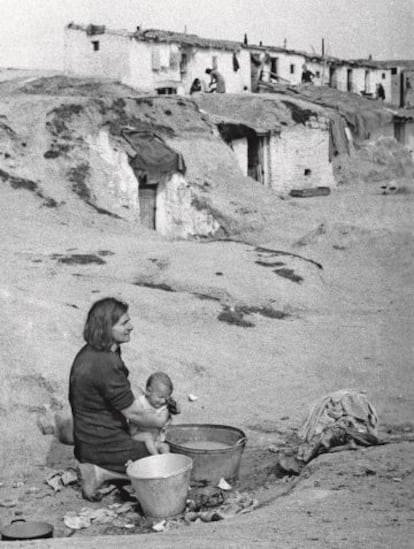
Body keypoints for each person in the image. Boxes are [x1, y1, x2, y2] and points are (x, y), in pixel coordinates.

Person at [69, 297, 169, 500]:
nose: (131, 327)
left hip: (89, 440)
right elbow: (132, 412)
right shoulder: (105, 364)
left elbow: (126, 386)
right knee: (166, 460)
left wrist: (150, 401)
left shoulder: (100, 351)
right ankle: (101, 473)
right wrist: (159, 419)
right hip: (103, 445)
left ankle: (101, 468)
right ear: (106, 327)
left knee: (155, 445)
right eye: (124, 323)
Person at [129, 372, 180, 455]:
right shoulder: (140, 402)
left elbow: (177, 411)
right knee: (147, 436)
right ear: (149, 391)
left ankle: (167, 462)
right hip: (138, 436)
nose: (163, 401)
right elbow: (133, 415)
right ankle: (156, 457)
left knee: (165, 447)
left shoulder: (162, 405)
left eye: (166, 398)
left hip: (155, 440)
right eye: (160, 397)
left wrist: (173, 405)